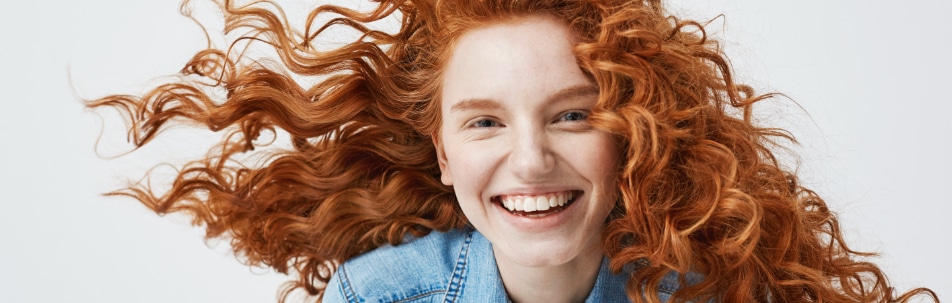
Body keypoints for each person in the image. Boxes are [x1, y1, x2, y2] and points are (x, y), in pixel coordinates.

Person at [86, 0, 937, 302]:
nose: (530, 161)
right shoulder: (380, 299)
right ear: (444, 153)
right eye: (485, 122)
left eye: (570, 116)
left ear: (627, 134)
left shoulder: (708, 296)